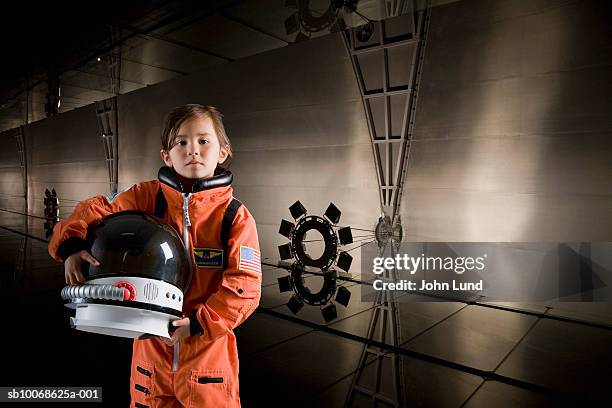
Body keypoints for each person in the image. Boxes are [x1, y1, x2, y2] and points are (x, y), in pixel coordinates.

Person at [48, 104, 262, 408]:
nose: (193, 151)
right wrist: (71, 246)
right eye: (181, 142)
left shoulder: (234, 217)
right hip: (150, 346)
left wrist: (199, 324)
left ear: (223, 151)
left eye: (203, 141)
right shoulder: (147, 198)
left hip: (207, 355)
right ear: (166, 155)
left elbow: (245, 286)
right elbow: (95, 209)